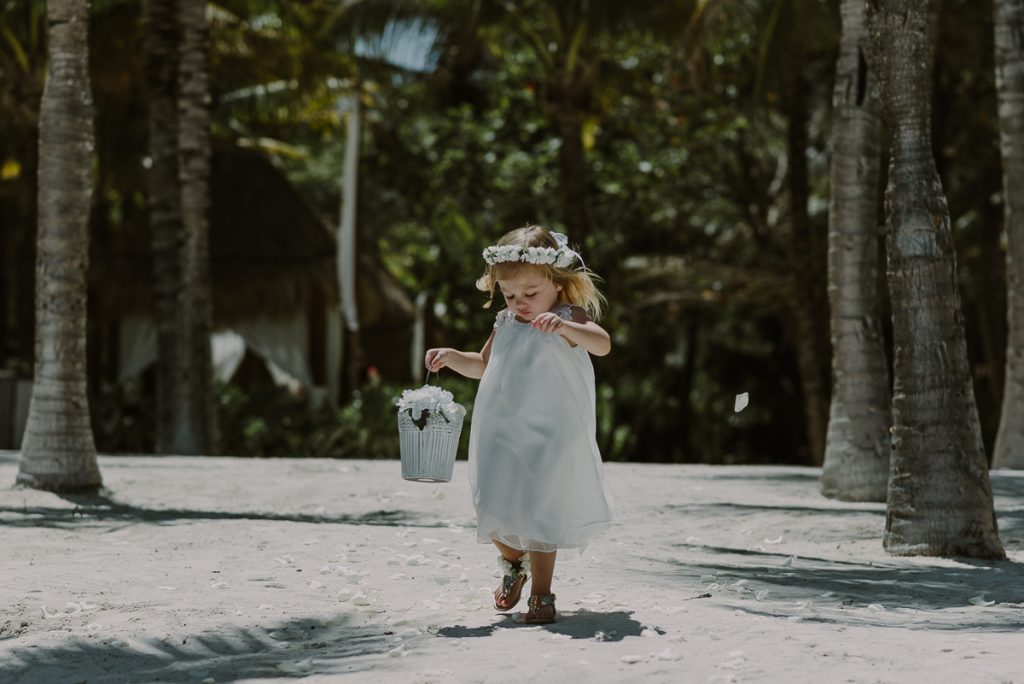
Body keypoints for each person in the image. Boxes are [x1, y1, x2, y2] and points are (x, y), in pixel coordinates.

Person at [424, 225, 614, 624]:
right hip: (501, 429)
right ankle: (513, 564)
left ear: (558, 284)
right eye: (510, 295)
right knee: (491, 502)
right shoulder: (506, 323)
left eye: (530, 294)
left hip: (550, 431)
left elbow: (602, 344)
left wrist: (566, 327)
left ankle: (543, 594)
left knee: (541, 506)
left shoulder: (566, 317)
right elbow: (483, 364)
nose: (520, 303)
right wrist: (452, 356)